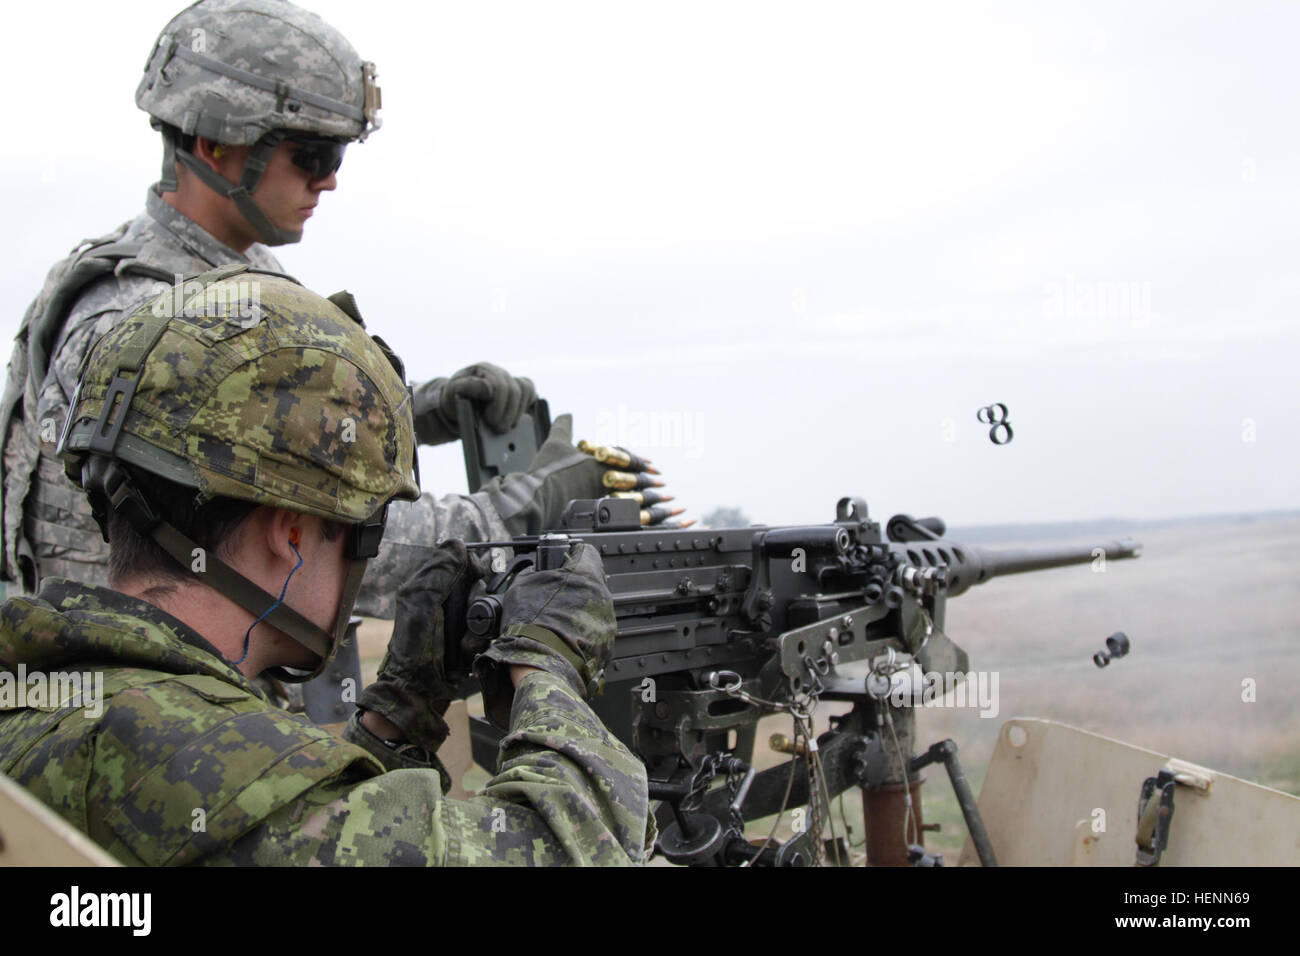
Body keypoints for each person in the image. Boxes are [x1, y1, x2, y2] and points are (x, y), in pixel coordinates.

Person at [1, 0, 647, 611]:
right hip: (128, 706)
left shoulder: (238, 276)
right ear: (215, 143)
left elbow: (274, 430)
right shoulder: (131, 319)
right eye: (311, 154)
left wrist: (423, 411)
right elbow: (319, 548)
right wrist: (518, 512)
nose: (330, 179)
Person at [0, 269, 652, 865]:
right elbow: (568, 852)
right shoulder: (209, 766)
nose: (361, 563)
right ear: (289, 534)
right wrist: (547, 669)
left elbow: (319, 828)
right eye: (363, 531)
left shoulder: (47, 691)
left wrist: (398, 711)